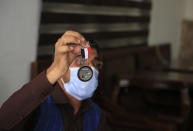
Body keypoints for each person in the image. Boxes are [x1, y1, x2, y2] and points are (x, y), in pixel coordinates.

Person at [0, 31, 111, 131]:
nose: (90, 69)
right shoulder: (38, 105)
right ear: (62, 64)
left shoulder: (96, 114)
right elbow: (3, 122)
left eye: (95, 63)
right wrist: (55, 71)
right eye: (81, 61)